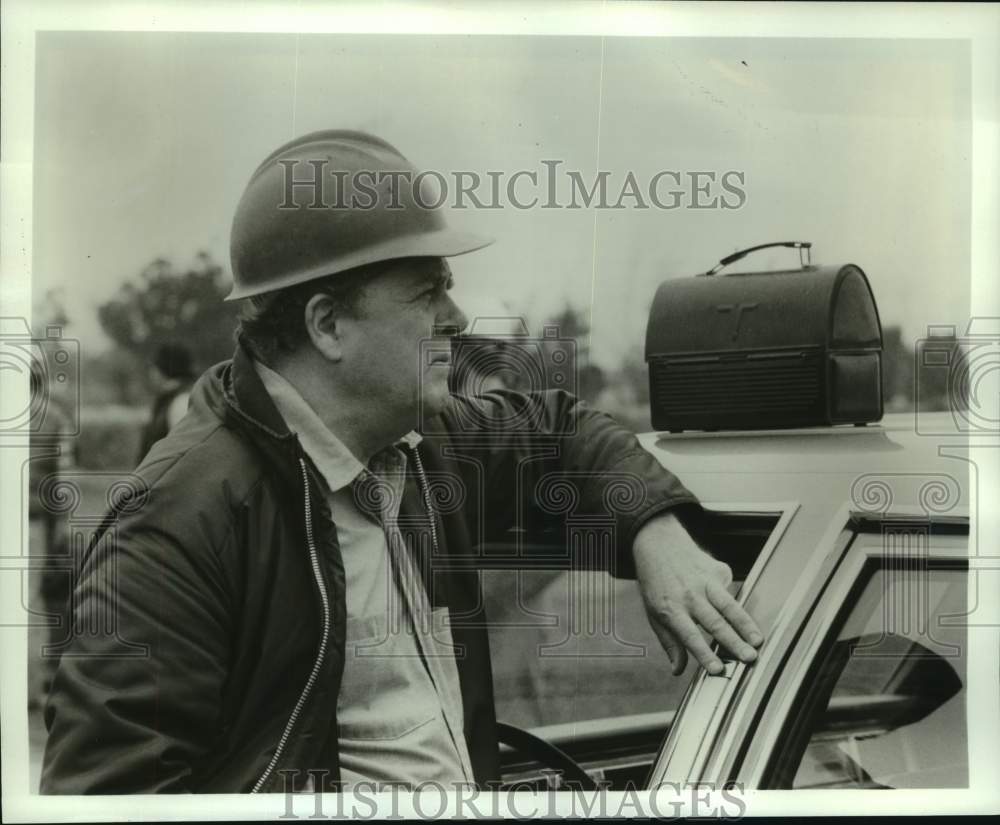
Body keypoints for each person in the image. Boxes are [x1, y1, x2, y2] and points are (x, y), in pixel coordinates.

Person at [41, 130, 763, 794]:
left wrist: (657, 530)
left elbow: (559, 429)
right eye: (427, 291)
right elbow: (111, 794)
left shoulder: (428, 446)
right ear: (328, 324)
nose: (455, 317)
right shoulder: (171, 528)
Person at [136, 342, 196, 463]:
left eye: (154, 367)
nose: (151, 373)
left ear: (162, 370)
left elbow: (184, 453)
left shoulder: (181, 402)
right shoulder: (168, 400)